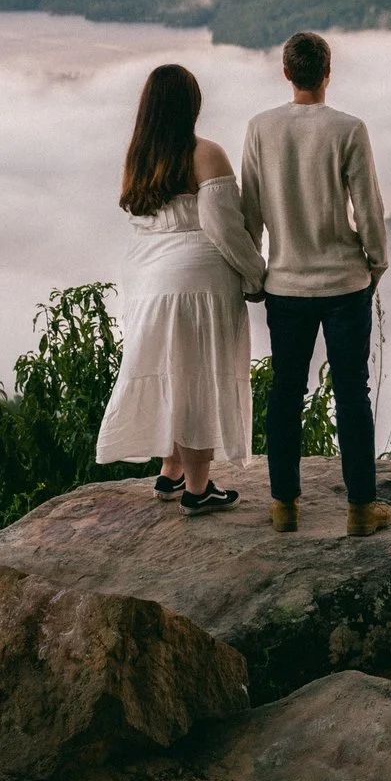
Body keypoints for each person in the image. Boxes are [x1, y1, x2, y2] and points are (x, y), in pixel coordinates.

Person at [94, 62, 265, 515]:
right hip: (200, 282)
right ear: (191, 105)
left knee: (172, 369)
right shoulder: (206, 154)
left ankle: (170, 472)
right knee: (198, 377)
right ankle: (198, 488)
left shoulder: (139, 159)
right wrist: (256, 274)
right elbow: (224, 227)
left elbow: (140, 220)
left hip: (146, 280)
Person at [241, 30, 391, 536]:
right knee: (352, 392)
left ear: (287, 72)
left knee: (285, 393)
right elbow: (367, 207)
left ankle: (284, 505)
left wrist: (255, 275)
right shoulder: (349, 129)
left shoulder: (261, 128)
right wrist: (376, 264)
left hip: (285, 284)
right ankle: (360, 509)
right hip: (345, 283)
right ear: (328, 72)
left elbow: (251, 213)